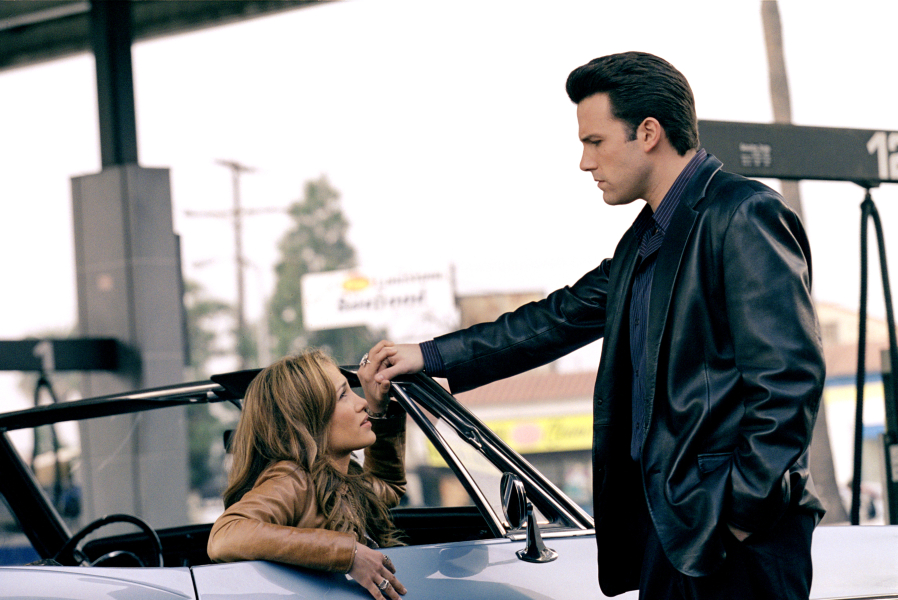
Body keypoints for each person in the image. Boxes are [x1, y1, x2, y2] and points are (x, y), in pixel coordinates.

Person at [374, 52, 826, 599]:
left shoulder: (743, 214)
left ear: (649, 133)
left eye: (594, 141)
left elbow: (788, 383)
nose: (585, 162)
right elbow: (556, 319)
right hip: (673, 536)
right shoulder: (644, 239)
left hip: (730, 537)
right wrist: (428, 355)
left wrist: (739, 516)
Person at [207, 342, 408, 600]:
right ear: (307, 420)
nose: (362, 403)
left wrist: (380, 411)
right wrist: (349, 555)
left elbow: (387, 486)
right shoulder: (293, 478)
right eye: (343, 395)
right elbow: (226, 534)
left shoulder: (343, 478)